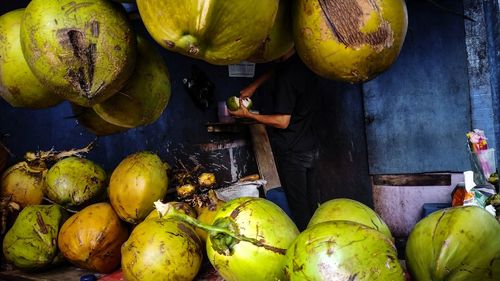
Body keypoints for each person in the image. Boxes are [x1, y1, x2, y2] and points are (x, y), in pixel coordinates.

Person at [228, 48, 319, 230]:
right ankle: (318, 238)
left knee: (299, 210)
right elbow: (276, 69)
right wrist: (254, 86)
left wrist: (250, 115)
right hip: (310, 147)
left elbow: (282, 121)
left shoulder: (286, 78)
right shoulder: (306, 63)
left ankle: (307, 247)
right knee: (312, 205)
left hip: (293, 154)